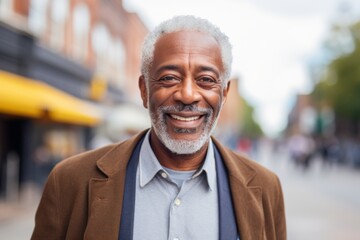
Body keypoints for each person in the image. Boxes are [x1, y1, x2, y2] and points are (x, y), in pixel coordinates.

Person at [31, 15, 286, 240]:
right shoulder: (70, 181)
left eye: (206, 80)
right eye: (169, 78)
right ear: (144, 90)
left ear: (225, 93)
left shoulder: (266, 189)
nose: (187, 95)